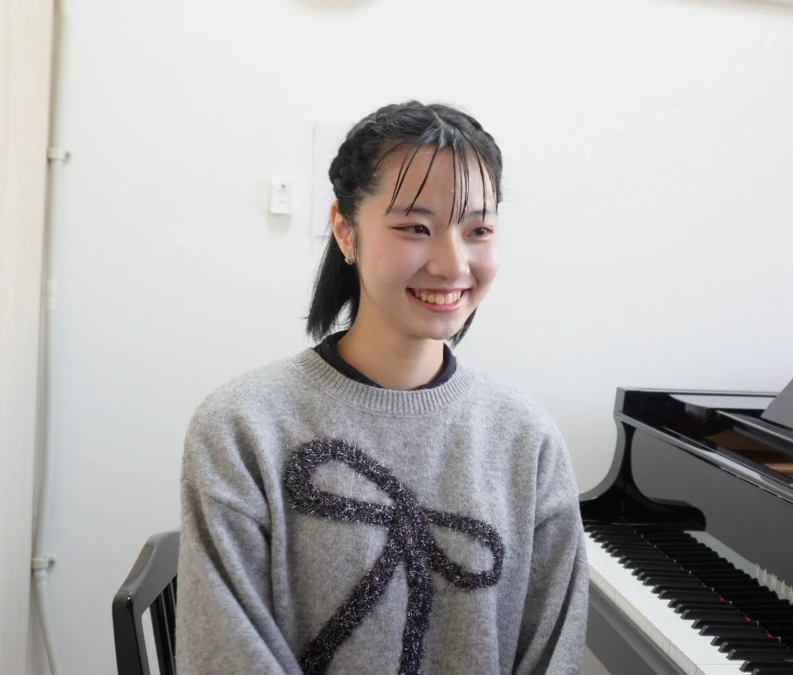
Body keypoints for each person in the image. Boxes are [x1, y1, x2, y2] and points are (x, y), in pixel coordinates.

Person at [174, 101, 589, 675]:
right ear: (345, 231)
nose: (452, 264)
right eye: (415, 228)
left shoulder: (527, 440)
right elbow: (225, 655)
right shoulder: (242, 427)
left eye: (478, 230)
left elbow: (553, 653)